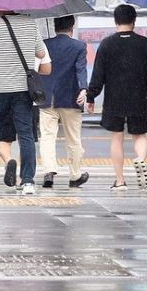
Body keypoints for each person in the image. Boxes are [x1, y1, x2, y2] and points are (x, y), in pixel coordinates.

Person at [0, 11, 47, 194]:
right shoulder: (31, 24)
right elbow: (41, 53)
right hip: (22, 89)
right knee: (26, 134)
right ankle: (28, 181)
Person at [86, 4, 147, 191]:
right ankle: (140, 159)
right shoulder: (144, 43)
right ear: (134, 20)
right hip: (138, 95)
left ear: (115, 21)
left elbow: (98, 75)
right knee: (139, 135)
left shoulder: (107, 44)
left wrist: (91, 97)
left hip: (114, 97)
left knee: (117, 137)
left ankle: (120, 180)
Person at [38, 15, 90, 188]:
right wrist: (83, 88)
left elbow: (39, 67)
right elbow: (80, 69)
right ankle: (75, 175)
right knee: (73, 138)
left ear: (54, 26)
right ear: (72, 26)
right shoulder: (79, 46)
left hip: (48, 96)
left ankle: (48, 171)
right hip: (70, 96)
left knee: (47, 136)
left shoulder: (45, 44)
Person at [0, 47, 52, 188]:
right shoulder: (35, 39)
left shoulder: (2, 36)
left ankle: (9, 160)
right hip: (28, 96)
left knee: (3, 138)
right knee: (26, 138)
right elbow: (47, 69)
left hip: (5, 93)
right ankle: (26, 179)